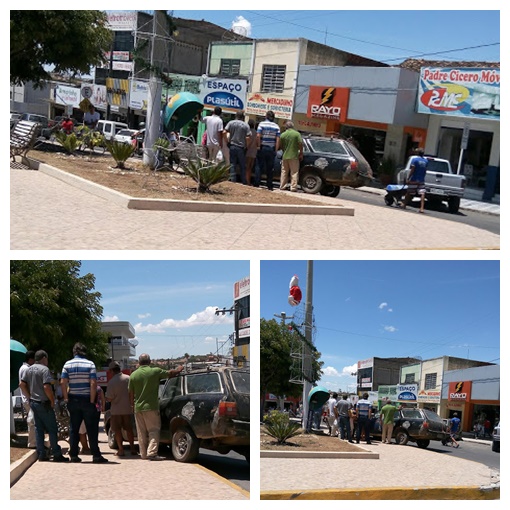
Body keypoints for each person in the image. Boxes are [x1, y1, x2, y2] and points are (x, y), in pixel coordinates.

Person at [128, 354, 184, 460]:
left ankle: (143, 454)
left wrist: (132, 405)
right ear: (149, 362)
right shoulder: (155, 371)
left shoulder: (133, 375)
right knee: (153, 430)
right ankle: (152, 453)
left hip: (138, 407)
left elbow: (130, 392)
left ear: (139, 363)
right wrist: (179, 369)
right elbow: (170, 374)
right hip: (151, 406)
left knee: (141, 432)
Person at [61, 342, 109, 463]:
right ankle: (96, 456)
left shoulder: (67, 364)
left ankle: (74, 455)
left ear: (74, 352)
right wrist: (92, 400)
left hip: (73, 399)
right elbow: (93, 383)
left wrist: (66, 398)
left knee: (74, 428)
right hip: (87, 399)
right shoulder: (90, 364)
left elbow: (63, 382)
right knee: (92, 429)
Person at [19, 350, 69, 462]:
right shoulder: (44, 370)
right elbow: (46, 387)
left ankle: (41, 454)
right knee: (52, 429)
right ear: (44, 358)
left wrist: (30, 395)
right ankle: (57, 454)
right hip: (44, 403)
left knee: (38, 429)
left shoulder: (29, 369)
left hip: (34, 403)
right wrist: (52, 400)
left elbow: (22, 384)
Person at [106, 361, 137, 457]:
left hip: (116, 410)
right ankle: (132, 448)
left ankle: (121, 449)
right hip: (128, 409)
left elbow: (109, 398)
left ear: (111, 371)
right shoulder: (128, 378)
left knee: (117, 430)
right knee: (129, 429)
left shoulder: (111, 382)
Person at [224, 111, 252, 184]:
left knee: (232, 164)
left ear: (236, 116)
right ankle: (243, 181)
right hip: (241, 147)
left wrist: (227, 141)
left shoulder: (231, 123)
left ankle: (233, 180)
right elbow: (248, 137)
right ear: (243, 117)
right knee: (242, 165)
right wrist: (247, 146)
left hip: (232, 145)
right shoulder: (245, 125)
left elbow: (224, 132)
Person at [256, 110, 280, 190]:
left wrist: (258, 146)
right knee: (270, 168)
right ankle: (269, 185)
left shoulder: (261, 124)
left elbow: (258, 136)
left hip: (263, 147)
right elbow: (277, 139)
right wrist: (276, 150)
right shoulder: (276, 126)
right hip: (271, 148)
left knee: (259, 166)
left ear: (266, 116)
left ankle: (257, 183)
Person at [18, 350, 36, 449]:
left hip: (27, 398)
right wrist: (30, 396)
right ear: (30, 359)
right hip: (29, 399)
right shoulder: (26, 369)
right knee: (32, 422)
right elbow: (23, 385)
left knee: (32, 421)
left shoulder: (23, 368)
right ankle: (33, 443)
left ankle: (34, 442)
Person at [279, 120, 303, 192]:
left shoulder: (283, 134)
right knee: (294, 172)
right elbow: (300, 144)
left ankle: (282, 186)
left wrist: (284, 151)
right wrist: (301, 153)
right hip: (294, 156)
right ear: (292, 126)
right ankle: (293, 187)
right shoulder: (297, 134)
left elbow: (281, 145)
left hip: (285, 156)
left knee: (284, 171)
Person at [401, 148, 427, 213]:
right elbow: (425, 171)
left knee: (409, 192)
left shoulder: (415, 160)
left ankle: (404, 204)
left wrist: (408, 178)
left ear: (417, 153)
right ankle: (422, 208)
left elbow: (412, 170)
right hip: (421, 180)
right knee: (422, 194)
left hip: (414, 179)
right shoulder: (426, 161)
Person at [245, 119, 258, 185]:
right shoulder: (256, 132)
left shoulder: (247, 132)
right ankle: (248, 180)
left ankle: (247, 181)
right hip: (254, 151)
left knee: (247, 167)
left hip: (248, 150)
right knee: (250, 167)